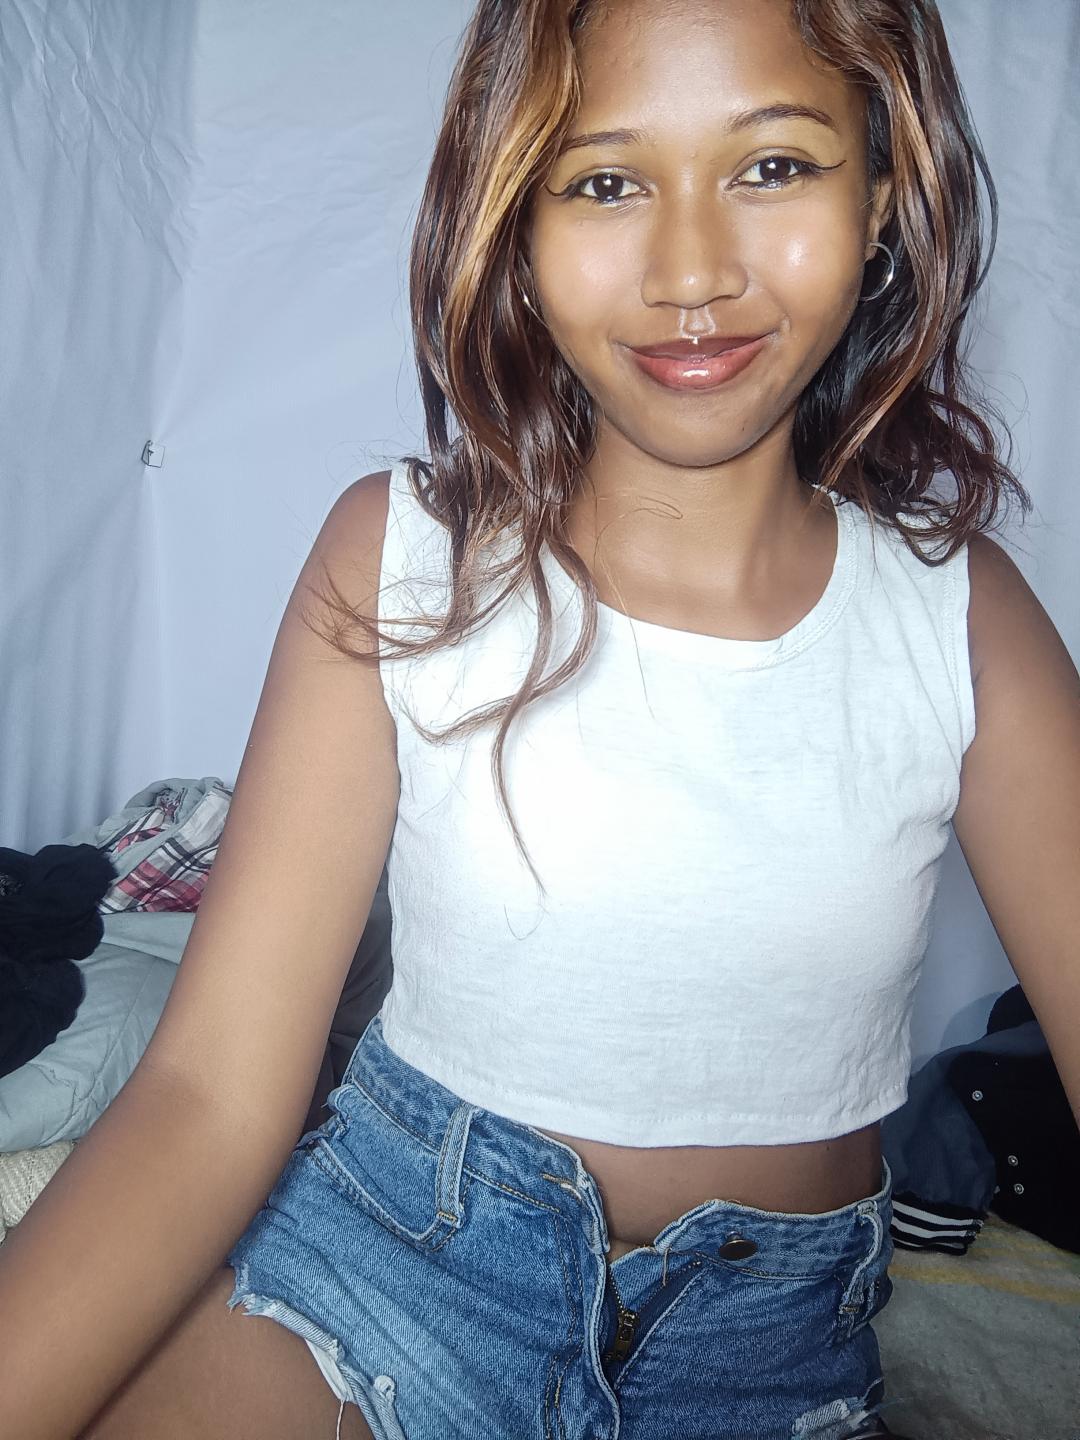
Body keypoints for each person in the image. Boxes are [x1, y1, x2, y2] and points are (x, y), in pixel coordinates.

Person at [3, 1, 1078, 1437]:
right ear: (517, 222)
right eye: (606, 181)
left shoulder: (963, 623)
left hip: (762, 1353)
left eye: (773, 166)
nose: (691, 271)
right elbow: (205, 1092)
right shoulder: (400, 560)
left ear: (883, 194)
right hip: (389, 1268)